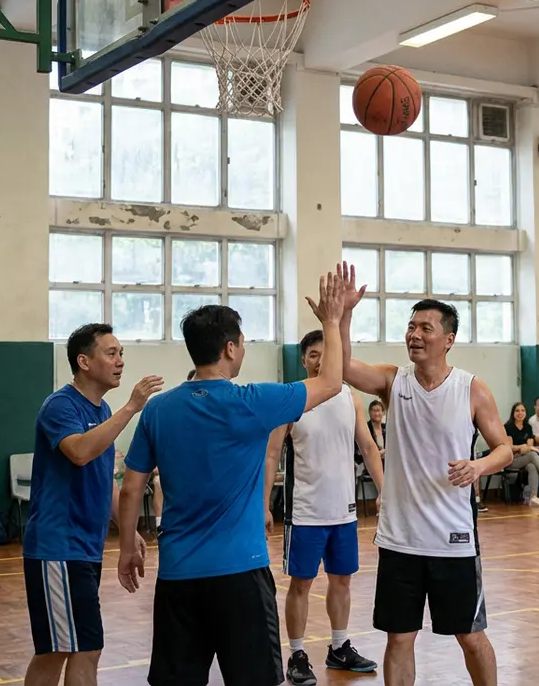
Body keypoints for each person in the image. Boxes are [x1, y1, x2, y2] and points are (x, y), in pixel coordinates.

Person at [113, 272, 351, 686]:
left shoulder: (156, 410)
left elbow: (132, 487)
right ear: (229, 348)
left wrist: (128, 546)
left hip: (178, 576)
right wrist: (331, 321)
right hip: (242, 575)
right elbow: (331, 383)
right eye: (242, 341)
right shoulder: (253, 401)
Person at [335, 262, 513, 686]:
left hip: (453, 539)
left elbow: (505, 449)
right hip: (400, 539)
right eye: (411, 327)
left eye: (425, 328)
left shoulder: (471, 388)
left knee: (471, 637)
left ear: (448, 339)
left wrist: (478, 466)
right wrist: (343, 316)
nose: (414, 334)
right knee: (399, 638)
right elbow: (341, 366)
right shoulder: (392, 381)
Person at [21, 323, 162, 686]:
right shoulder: (60, 405)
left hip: (85, 548)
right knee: (68, 649)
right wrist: (132, 408)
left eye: (121, 353)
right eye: (111, 353)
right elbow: (80, 452)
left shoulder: (103, 411)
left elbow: (105, 481)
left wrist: (128, 531)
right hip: (58, 547)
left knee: (73, 648)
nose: (120, 361)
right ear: (84, 361)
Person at [261, 328, 385, 686]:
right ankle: (297, 654)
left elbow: (368, 447)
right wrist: (263, 505)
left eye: (325, 353)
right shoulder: (292, 398)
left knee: (342, 580)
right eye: (313, 354)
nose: (320, 360)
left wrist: (385, 491)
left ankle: (339, 646)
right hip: (304, 512)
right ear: (304, 360)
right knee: (301, 584)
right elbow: (271, 453)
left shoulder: (351, 397)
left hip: (344, 511)